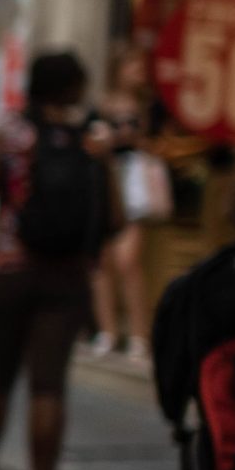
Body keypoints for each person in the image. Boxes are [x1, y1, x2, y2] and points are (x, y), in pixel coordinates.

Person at [0, 48, 115, 470]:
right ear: (73, 88)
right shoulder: (93, 142)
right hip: (65, 277)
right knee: (49, 388)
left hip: (7, 270)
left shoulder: (10, 133)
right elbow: (116, 216)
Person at [90, 44, 160, 359]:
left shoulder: (149, 105)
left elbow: (163, 144)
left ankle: (139, 335)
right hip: (106, 179)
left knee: (128, 261)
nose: (138, 72)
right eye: (132, 65)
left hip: (134, 182)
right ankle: (107, 330)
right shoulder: (101, 105)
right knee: (102, 260)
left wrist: (140, 140)